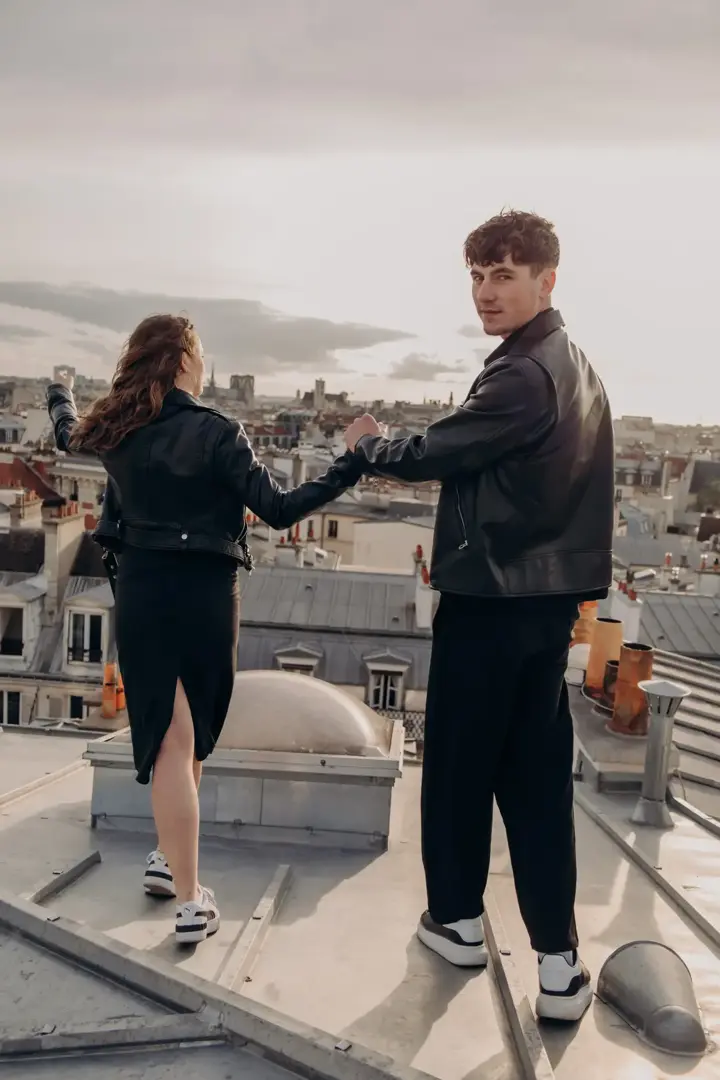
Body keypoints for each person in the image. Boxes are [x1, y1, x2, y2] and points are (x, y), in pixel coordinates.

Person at [344, 210, 614, 1023]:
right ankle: (560, 967)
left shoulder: (523, 373)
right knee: (535, 784)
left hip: (490, 600)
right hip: (546, 606)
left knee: (459, 767)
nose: (487, 292)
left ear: (546, 280)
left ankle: (457, 920)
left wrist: (369, 442)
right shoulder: (576, 367)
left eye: (504, 274)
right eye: (478, 274)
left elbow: (438, 451)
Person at [47, 314, 363, 946]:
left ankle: (170, 859)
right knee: (184, 739)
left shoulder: (115, 429)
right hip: (207, 595)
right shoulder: (219, 433)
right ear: (187, 360)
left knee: (174, 734)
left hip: (142, 591)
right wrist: (350, 460)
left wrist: (60, 390)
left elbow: (64, 434)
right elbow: (278, 508)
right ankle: (192, 899)